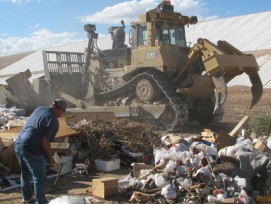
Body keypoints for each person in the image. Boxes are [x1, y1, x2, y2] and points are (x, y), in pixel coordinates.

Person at [15, 99, 67, 204]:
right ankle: (41, 202)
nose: (62, 114)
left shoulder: (40, 108)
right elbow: (45, 142)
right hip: (31, 148)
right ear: (58, 109)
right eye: (63, 111)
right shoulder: (53, 120)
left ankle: (27, 198)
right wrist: (50, 157)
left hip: (19, 143)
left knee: (25, 174)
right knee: (39, 177)